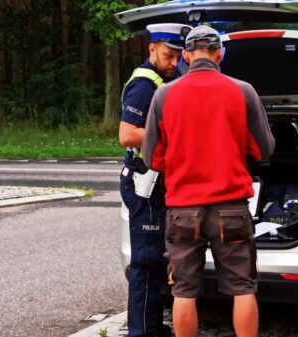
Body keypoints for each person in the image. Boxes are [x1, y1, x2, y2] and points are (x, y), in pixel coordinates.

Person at [142, 25, 274, 337]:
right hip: (231, 208)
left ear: (186, 55)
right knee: (243, 288)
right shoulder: (243, 91)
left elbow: (151, 158)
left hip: (183, 209)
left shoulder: (163, 95)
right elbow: (264, 148)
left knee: (184, 291)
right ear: (220, 54)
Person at [119, 23, 192, 337]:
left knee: (155, 260)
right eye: (168, 55)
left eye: (178, 57)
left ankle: (151, 326)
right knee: (146, 262)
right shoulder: (145, 85)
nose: (174, 63)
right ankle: (141, 332)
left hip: (156, 184)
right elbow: (127, 134)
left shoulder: (165, 81)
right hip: (144, 185)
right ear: (151, 48)